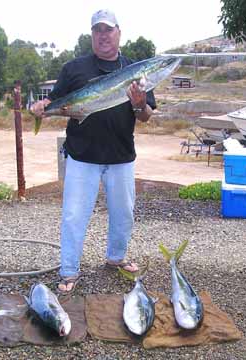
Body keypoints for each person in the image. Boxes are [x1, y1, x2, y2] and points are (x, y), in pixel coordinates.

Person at [32, 9, 156, 294]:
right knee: (74, 214)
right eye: (97, 30)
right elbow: (54, 100)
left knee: (124, 213)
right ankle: (69, 271)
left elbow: (146, 115)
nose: (103, 35)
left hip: (121, 155)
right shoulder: (74, 68)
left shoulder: (136, 72)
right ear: (92, 35)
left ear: (118, 33)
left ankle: (116, 258)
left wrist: (138, 103)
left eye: (108, 30)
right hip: (81, 155)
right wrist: (40, 108)